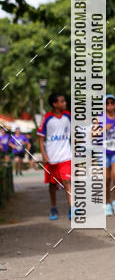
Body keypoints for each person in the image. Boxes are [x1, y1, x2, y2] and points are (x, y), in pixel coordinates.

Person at [37, 92, 72, 221]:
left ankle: (72, 208)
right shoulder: (46, 118)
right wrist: (44, 154)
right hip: (51, 158)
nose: (64, 103)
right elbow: (40, 138)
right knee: (52, 185)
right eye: (62, 101)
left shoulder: (68, 116)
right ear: (54, 104)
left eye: (64, 101)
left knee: (67, 181)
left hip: (66, 156)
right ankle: (53, 207)